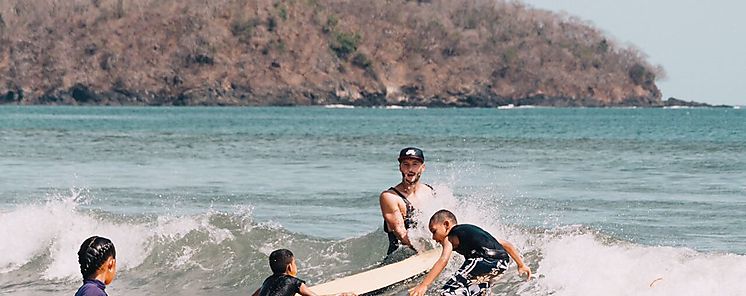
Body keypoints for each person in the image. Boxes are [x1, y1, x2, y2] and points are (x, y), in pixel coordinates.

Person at [409, 210, 531, 296]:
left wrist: (424, 285)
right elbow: (506, 245)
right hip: (502, 263)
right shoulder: (472, 232)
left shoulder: (450, 236)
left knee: (448, 291)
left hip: (485, 260)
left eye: (434, 231)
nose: (433, 238)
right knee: (478, 291)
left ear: (446, 225)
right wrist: (521, 264)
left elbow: (443, 260)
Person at [379, 147, 436, 256]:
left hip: (427, 254)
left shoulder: (430, 191)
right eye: (405, 164)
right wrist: (423, 253)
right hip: (399, 257)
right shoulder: (390, 197)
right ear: (400, 167)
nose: (410, 169)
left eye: (415, 164)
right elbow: (401, 233)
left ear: (422, 168)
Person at [251, 249, 354, 296]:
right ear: (290, 267)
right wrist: (341, 294)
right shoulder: (293, 282)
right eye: (294, 263)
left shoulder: (267, 281)